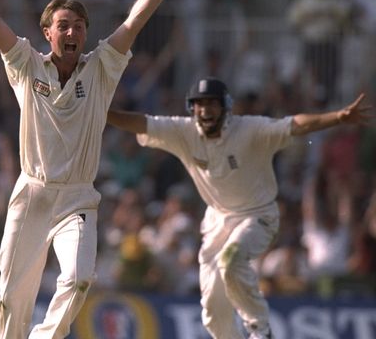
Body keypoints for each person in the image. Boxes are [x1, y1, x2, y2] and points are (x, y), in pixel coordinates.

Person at [0, 0, 190, 338]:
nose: (72, 34)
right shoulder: (25, 66)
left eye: (79, 27)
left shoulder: (102, 68)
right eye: (63, 26)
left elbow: (134, 21)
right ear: (47, 32)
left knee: (79, 278)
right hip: (32, 193)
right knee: (12, 301)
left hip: (78, 197)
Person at [106, 77, 372, 339]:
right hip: (217, 222)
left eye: (212, 104)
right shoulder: (183, 132)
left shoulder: (250, 130)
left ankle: (259, 329)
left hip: (258, 216)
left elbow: (296, 125)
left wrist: (337, 117)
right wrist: (100, 112)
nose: (205, 110)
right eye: (199, 104)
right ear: (192, 108)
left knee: (231, 262)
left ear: (226, 107)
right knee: (212, 310)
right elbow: (140, 122)